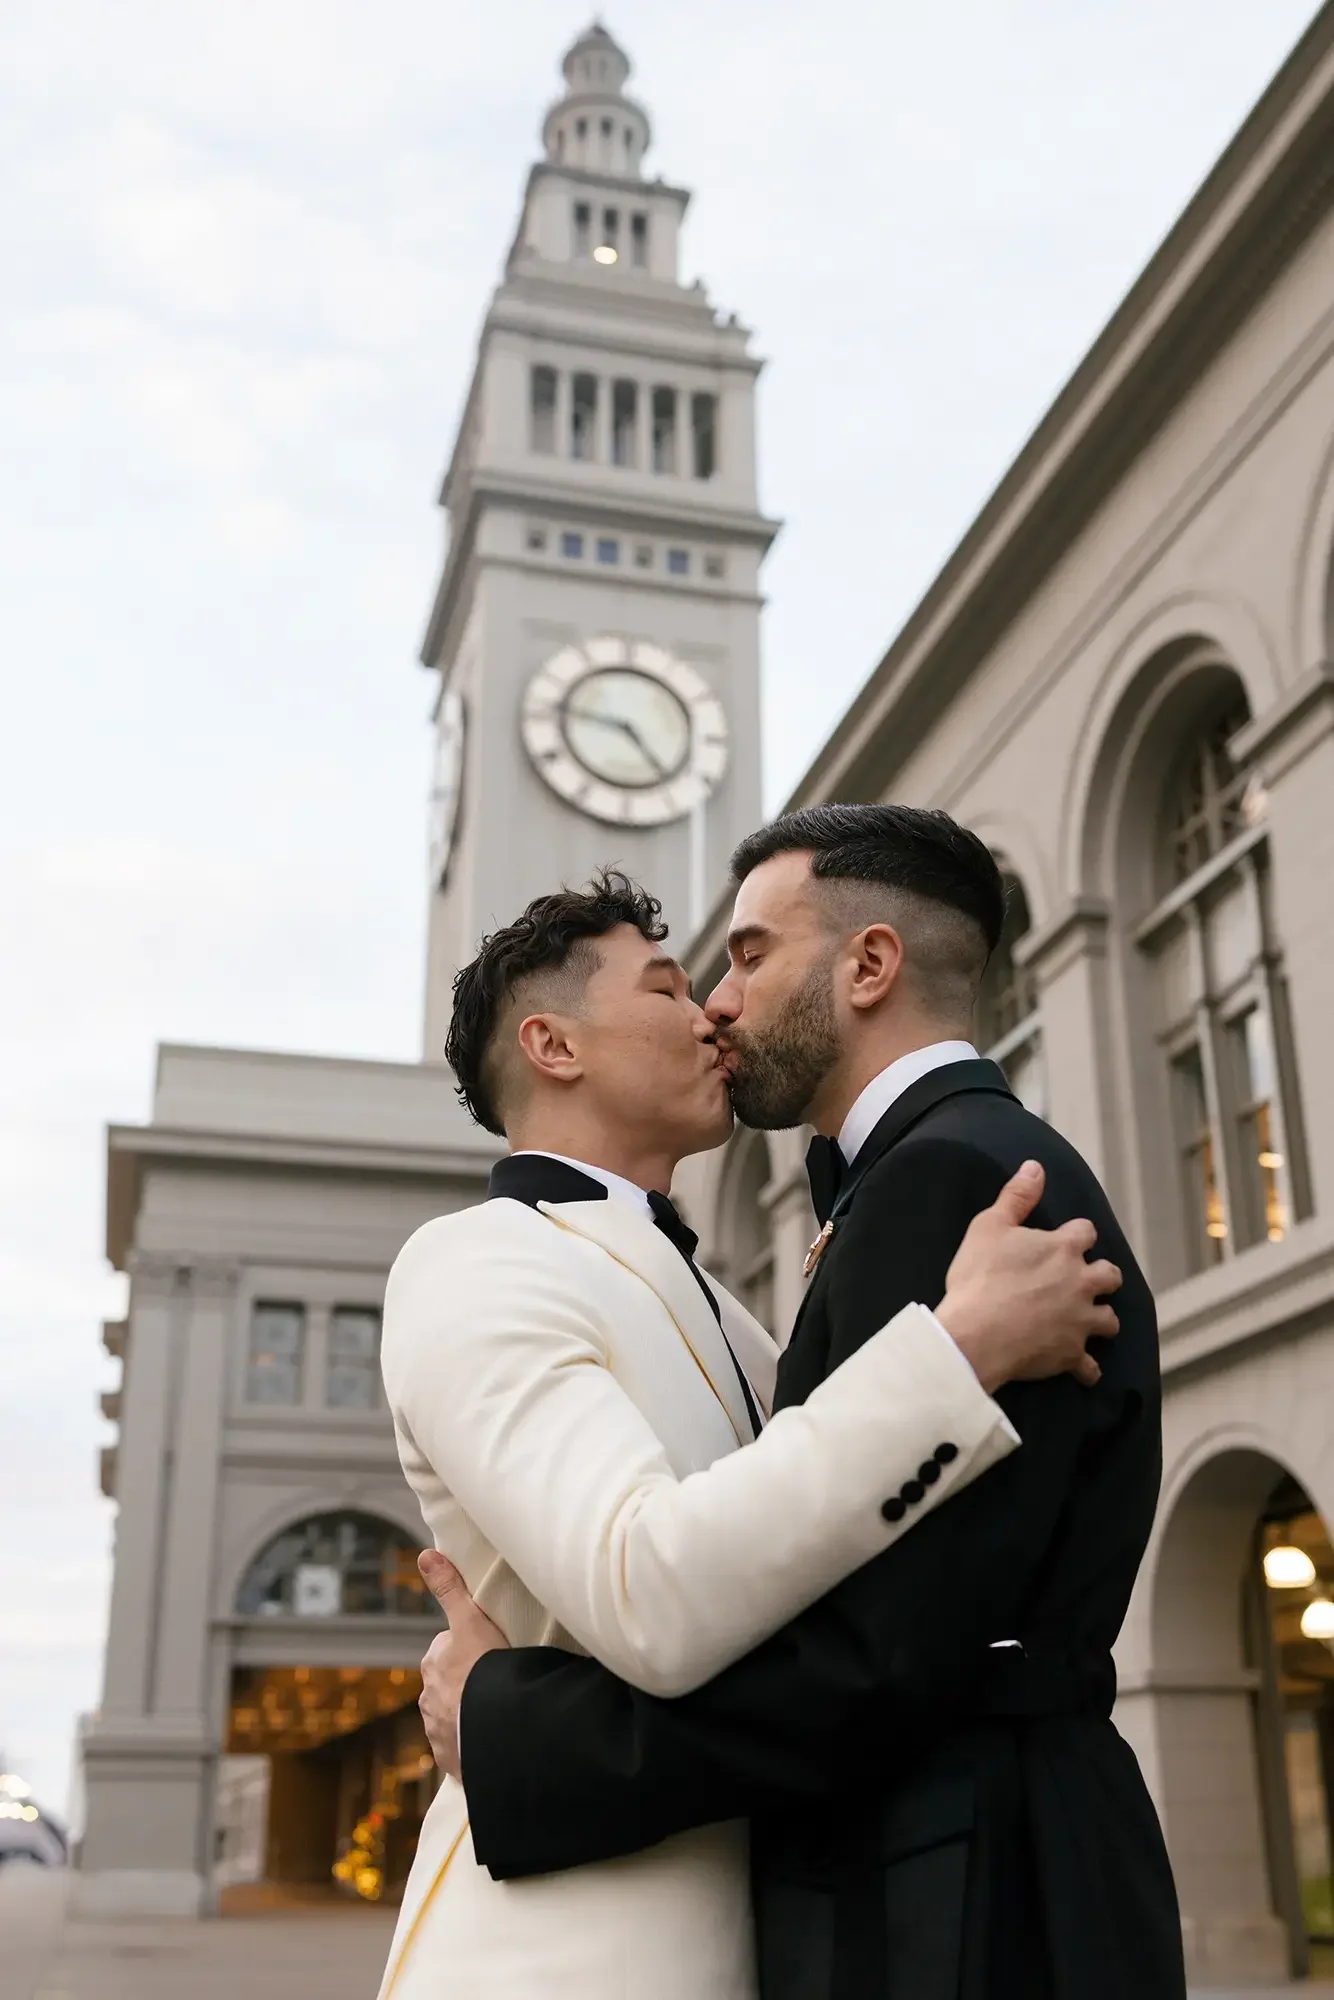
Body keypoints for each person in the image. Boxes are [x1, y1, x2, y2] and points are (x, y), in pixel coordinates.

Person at [419, 809, 1186, 2000]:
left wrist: (513, 1727)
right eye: (684, 980)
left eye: (744, 958)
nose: (717, 1005)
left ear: (869, 965)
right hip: (614, 1937)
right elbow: (696, 1579)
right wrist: (948, 1351)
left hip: (960, 1889)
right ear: (553, 1046)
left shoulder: (936, 1184)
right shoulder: (480, 1256)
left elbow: (873, 1651)